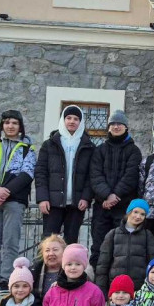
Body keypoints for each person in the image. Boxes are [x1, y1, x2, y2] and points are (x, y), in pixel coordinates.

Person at [0, 110, 37, 295]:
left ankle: (6, 280)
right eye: (6, 123)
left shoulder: (28, 149)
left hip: (15, 200)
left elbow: (27, 174)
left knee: (11, 241)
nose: (10, 126)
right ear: (2, 126)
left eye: (14, 123)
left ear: (20, 126)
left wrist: (5, 192)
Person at [88, 110, 142, 267]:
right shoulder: (100, 150)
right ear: (108, 127)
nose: (116, 126)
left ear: (126, 127)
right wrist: (106, 196)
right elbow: (95, 175)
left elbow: (131, 176)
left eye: (119, 124)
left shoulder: (134, 151)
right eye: (113, 124)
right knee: (99, 246)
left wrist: (115, 195)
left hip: (124, 207)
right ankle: (98, 284)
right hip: (102, 207)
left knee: (122, 248)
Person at [35, 104, 94, 245]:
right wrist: (42, 198)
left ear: (81, 123)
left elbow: (91, 176)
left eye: (76, 119)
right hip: (52, 202)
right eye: (68, 118)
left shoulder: (89, 147)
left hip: (76, 203)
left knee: (71, 241)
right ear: (63, 120)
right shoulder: (49, 144)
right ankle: (43, 268)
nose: (72, 121)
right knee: (48, 242)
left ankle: (68, 268)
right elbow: (41, 172)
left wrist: (86, 197)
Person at [95, 198, 154, 292]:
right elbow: (102, 266)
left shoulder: (148, 236)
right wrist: (101, 292)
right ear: (129, 212)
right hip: (116, 290)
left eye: (142, 214)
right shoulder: (113, 234)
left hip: (140, 290)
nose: (138, 216)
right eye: (135, 212)